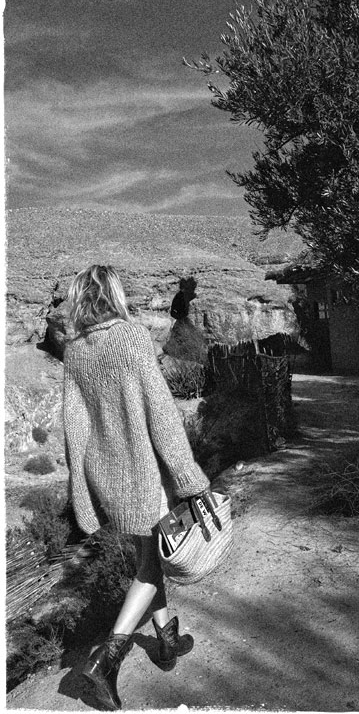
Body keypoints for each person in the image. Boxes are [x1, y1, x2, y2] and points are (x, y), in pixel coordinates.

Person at [63, 265, 209, 710]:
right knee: (150, 566)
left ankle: (166, 641)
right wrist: (189, 476)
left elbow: (75, 426)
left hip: (106, 477)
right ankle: (105, 660)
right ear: (115, 295)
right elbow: (162, 415)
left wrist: (81, 494)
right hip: (144, 476)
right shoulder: (130, 338)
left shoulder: (74, 350)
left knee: (151, 554)